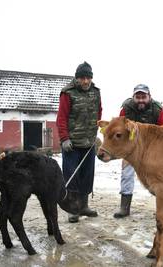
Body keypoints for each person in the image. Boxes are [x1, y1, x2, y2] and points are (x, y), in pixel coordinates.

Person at [56, 61, 102, 223]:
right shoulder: (68, 93)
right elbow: (61, 118)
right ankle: (72, 209)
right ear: (77, 78)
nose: (85, 81)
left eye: (88, 78)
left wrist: (95, 134)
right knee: (71, 175)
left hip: (88, 143)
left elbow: (98, 113)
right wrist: (64, 138)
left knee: (87, 175)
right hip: (72, 144)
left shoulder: (96, 92)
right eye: (82, 78)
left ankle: (84, 206)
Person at [114, 84, 163, 218]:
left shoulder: (158, 110)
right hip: (130, 149)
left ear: (150, 97)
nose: (141, 100)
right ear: (133, 98)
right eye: (138, 97)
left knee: (158, 177)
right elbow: (119, 129)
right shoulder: (125, 109)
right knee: (126, 175)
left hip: (151, 149)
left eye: (144, 97)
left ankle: (162, 208)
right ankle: (124, 208)